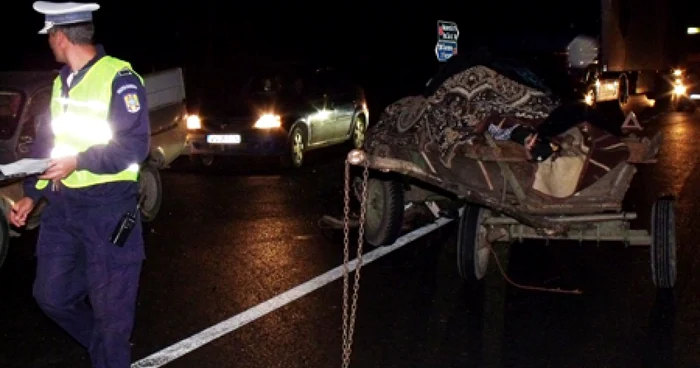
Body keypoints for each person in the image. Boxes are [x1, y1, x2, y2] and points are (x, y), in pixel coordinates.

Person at [8, 2, 151, 367]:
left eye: (49, 37)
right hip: (64, 208)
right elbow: (50, 145)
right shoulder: (61, 84)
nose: (49, 44)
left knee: (111, 317)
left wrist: (80, 161)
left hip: (108, 208)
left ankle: (109, 353)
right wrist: (31, 195)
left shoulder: (119, 77)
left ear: (59, 36)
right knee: (51, 296)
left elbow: (134, 147)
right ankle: (105, 350)